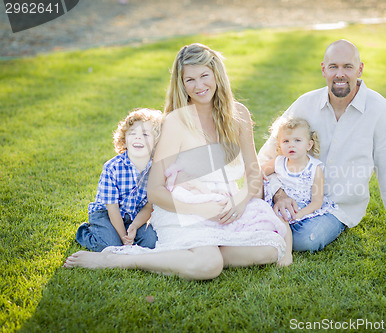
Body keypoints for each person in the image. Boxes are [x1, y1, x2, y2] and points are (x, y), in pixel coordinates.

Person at [65, 43, 293, 279]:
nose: (199, 86)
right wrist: (199, 208)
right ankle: (122, 259)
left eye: (205, 76)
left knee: (271, 249)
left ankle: (195, 253)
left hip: (224, 205)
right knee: (209, 266)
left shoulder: (239, 115)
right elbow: (155, 191)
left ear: (217, 75)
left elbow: (253, 170)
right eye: (189, 80)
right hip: (184, 208)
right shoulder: (175, 122)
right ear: (181, 84)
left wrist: (241, 200)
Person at [258, 39, 386, 252]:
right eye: (333, 67)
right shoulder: (305, 104)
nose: (340, 74)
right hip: (291, 198)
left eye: (347, 67)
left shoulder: (381, 112)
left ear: (360, 69)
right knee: (254, 219)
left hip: (337, 209)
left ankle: (274, 230)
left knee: (306, 239)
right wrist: (280, 194)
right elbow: (266, 157)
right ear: (324, 70)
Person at [75, 108, 162, 252]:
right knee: (110, 246)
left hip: (134, 215)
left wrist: (134, 226)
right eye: (132, 133)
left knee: (151, 242)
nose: (138, 138)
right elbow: (112, 208)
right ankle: (85, 232)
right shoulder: (112, 167)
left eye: (145, 134)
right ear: (124, 141)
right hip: (107, 214)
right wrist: (123, 237)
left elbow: (148, 206)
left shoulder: (155, 170)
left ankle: (128, 230)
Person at [261, 118, 339, 249]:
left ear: (309, 145)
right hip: (279, 206)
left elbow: (316, 202)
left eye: (297, 140)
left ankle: (285, 235)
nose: (291, 145)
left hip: (302, 210)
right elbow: (259, 173)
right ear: (280, 145)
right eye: (286, 141)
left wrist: (299, 215)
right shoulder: (279, 162)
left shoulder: (315, 168)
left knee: (303, 232)